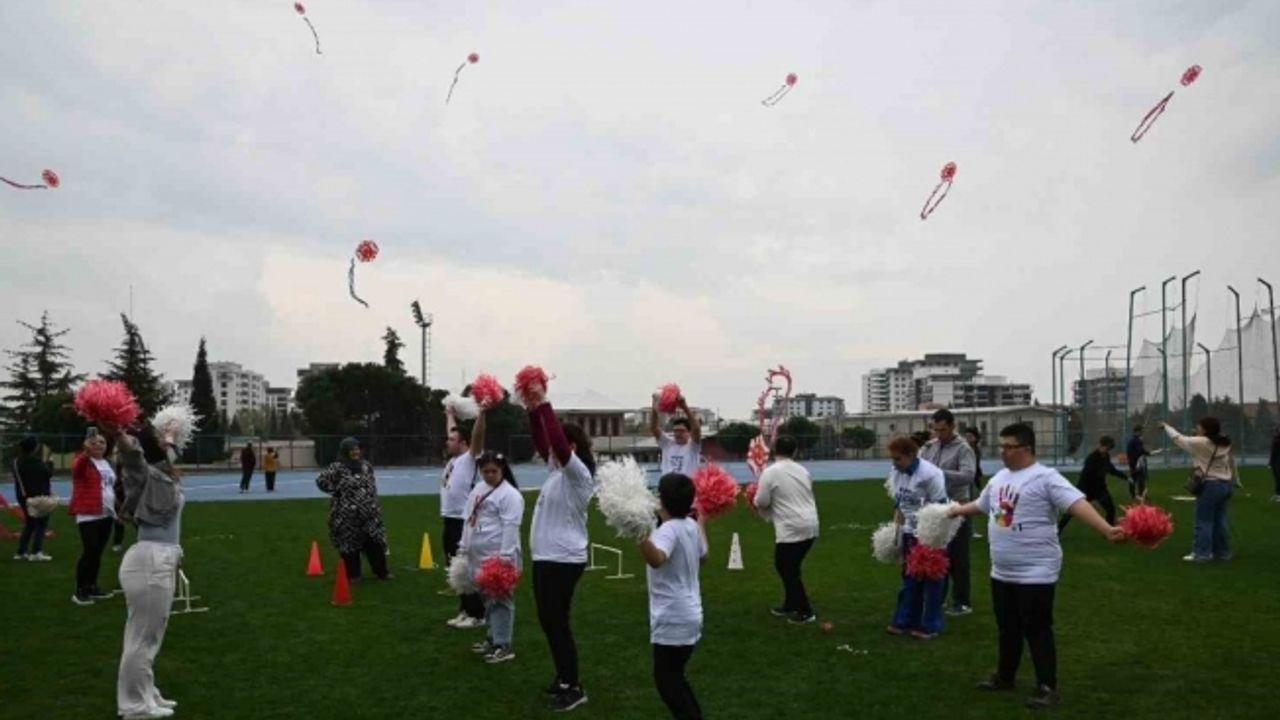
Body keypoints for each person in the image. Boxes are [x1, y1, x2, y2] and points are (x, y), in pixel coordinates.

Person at [948, 423, 1126, 710]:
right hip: (1002, 570)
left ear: (1026, 449)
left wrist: (1106, 529)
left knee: (1037, 628)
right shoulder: (1000, 478)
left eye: (1009, 446)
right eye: (1002, 446)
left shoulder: (1046, 478)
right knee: (1007, 627)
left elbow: (1076, 503)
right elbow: (982, 505)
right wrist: (955, 510)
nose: (1002, 452)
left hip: (1036, 571)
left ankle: (1047, 687)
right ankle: (1005, 677)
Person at [523, 380, 598, 712]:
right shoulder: (556, 471)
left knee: (557, 621)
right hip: (547, 557)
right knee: (548, 620)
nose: (550, 452)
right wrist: (531, 411)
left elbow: (556, 443)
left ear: (573, 448)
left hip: (563, 559)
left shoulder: (578, 473)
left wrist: (545, 403)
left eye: (560, 446)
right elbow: (544, 442)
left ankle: (574, 685)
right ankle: (564, 677)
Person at [114, 426, 184, 720]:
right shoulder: (144, 475)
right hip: (150, 559)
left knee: (148, 636)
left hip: (160, 557)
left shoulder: (161, 473)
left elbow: (170, 452)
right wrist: (117, 431)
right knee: (142, 638)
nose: (163, 441)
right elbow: (132, 458)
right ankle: (134, 705)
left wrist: (169, 437)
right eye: (155, 438)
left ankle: (147, 693)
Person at [638, 473, 708, 720]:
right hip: (690, 613)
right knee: (675, 678)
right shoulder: (689, 525)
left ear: (662, 500)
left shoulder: (667, 531)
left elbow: (657, 559)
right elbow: (704, 555)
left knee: (667, 681)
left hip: (673, 617)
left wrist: (639, 534)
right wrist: (701, 522)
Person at [461, 447, 525, 664]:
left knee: (501, 601)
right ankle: (493, 637)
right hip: (478, 555)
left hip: (498, 557)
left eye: (493, 471)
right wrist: (464, 546)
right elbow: (468, 518)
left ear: (502, 470)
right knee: (488, 600)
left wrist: (505, 558)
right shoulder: (478, 489)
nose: (489, 475)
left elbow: (511, 526)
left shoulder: (511, 495)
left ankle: (503, 645)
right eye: (485, 471)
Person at [885, 435, 949, 640]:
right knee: (909, 577)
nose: (894, 464)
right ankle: (905, 619)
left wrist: (932, 539)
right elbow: (900, 503)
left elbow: (941, 507)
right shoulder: (897, 472)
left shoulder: (931, 475)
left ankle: (931, 624)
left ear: (911, 455)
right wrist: (897, 530)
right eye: (892, 459)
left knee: (931, 579)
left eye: (898, 459)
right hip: (909, 531)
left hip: (931, 532)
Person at [754, 434, 820, 625]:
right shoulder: (803, 470)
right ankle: (791, 603)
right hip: (810, 523)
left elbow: (762, 500)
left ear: (774, 450)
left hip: (791, 526)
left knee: (786, 568)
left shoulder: (771, 472)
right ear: (795, 452)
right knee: (790, 567)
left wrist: (756, 500)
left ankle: (805, 610)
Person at [919, 409, 978, 617]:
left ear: (953, 426)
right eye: (935, 430)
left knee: (958, 558)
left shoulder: (963, 449)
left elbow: (968, 476)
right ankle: (939, 597)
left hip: (957, 507)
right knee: (936, 555)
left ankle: (962, 601)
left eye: (942, 430)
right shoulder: (930, 447)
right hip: (934, 509)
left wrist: (939, 475)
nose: (938, 434)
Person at [315, 438, 391, 580]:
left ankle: (382, 572)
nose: (356, 452)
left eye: (357, 448)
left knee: (375, 542)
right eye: (352, 449)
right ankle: (353, 574)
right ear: (345, 451)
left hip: (369, 513)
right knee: (349, 545)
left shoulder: (366, 466)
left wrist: (374, 503)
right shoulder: (337, 467)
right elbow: (321, 481)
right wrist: (335, 491)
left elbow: (372, 486)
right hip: (347, 515)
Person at [1164, 418, 1237, 562]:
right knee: (1219, 520)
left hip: (1210, 485)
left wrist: (1167, 427)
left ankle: (1201, 553)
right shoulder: (1223, 442)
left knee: (1204, 521)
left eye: (1199, 426)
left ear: (1205, 430)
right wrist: (1198, 434)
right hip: (1225, 484)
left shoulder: (1201, 442)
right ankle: (1222, 552)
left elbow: (1177, 438)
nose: (1196, 427)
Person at [443, 401, 487, 629]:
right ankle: (464, 609)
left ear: (463, 443)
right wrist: (450, 414)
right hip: (448, 520)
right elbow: (451, 432)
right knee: (455, 568)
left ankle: (477, 614)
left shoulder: (470, 459)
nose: (447, 441)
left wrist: (481, 414)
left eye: (452, 440)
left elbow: (477, 437)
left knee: (466, 567)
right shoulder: (453, 461)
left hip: (462, 521)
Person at [69, 428, 119, 605]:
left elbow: (111, 487)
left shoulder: (107, 463)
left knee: (97, 553)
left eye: (102, 442)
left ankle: (92, 587)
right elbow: (77, 469)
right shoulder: (83, 461)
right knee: (89, 551)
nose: (99, 444)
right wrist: (86, 450)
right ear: (88, 445)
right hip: (88, 514)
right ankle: (80, 590)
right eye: (95, 442)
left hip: (106, 514)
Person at [1058, 436, 1126, 532]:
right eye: (1107, 448)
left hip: (1100, 489)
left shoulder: (1106, 457)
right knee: (1072, 511)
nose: (1107, 450)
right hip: (1085, 488)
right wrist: (1089, 498)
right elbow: (1086, 475)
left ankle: (1110, 530)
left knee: (1110, 508)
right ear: (1102, 445)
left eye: (1109, 449)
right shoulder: (1092, 458)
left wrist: (1125, 477)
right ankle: (1058, 530)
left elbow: (1111, 469)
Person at [12, 436, 54, 561]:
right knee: (41, 524)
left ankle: (21, 552)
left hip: (23, 496)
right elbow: (47, 475)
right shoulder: (37, 462)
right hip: (38, 497)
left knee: (30, 524)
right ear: (34, 448)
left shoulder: (16, 462)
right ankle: (36, 551)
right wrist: (50, 463)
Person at [650, 392, 702, 476]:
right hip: (668, 486)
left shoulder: (693, 446)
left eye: (681, 431)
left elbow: (696, 429)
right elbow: (654, 428)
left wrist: (684, 406)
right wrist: (654, 408)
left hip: (686, 487)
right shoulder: (667, 443)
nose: (678, 434)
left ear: (689, 433)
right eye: (675, 431)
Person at [965, 428, 985, 539]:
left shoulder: (976, 449)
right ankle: (969, 531)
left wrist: (978, 478)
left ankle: (970, 530)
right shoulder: (965, 449)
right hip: (967, 480)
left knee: (972, 505)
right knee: (968, 505)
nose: (968, 439)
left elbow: (976, 466)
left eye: (970, 436)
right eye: (966, 436)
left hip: (973, 479)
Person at [1125, 426, 1150, 501]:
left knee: (1135, 479)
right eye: (1140, 431)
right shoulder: (1136, 441)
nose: (1141, 433)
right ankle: (1139, 495)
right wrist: (1147, 453)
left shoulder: (1133, 440)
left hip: (1133, 462)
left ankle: (1135, 495)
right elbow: (1140, 451)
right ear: (1137, 432)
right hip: (1136, 463)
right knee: (1139, 479)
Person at [1269, 427, 1279, 503]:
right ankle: (1277, 494)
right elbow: (1273, 452)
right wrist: (1270, 463)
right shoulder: (1276, 438)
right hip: (1275, 460)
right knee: (1277, 478)